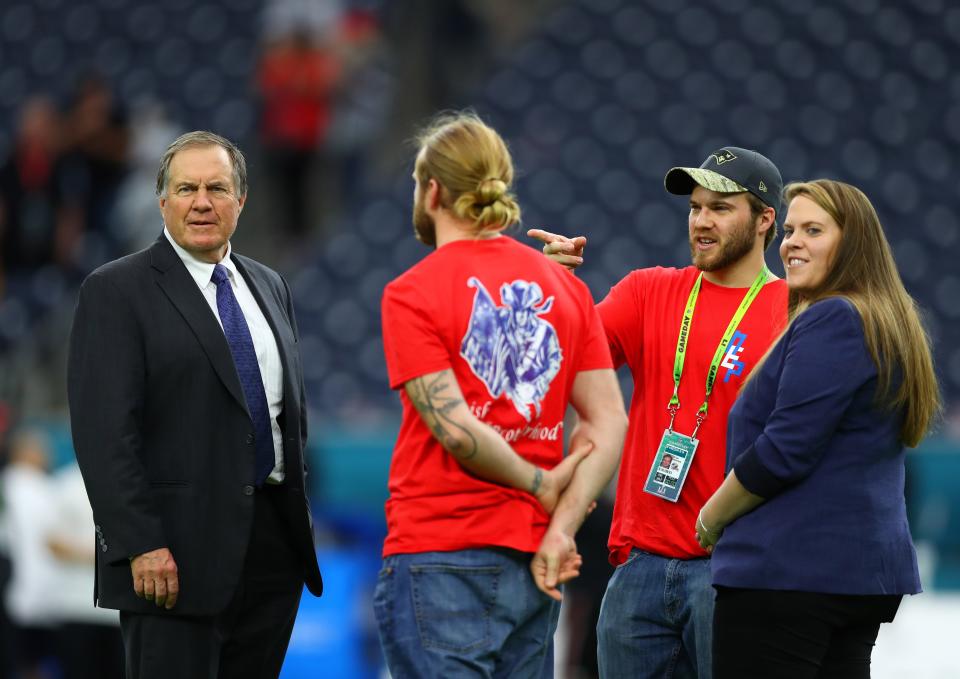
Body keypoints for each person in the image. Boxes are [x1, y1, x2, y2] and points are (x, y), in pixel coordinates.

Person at [375, 112, 628, 678]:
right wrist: (561, 526)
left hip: (439, 553)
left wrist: (540, 485)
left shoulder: (411, 293)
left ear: (433, 190)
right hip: (536, 561)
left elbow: (457, 429)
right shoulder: (564, 286)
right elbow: (609, 421)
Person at [67, 130, 323, 679]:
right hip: (169, 559)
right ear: (162, 200)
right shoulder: (115, 290)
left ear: (241, 200)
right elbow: (104, 433)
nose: (202, 202)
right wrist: (141, 543)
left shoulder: (271, 285)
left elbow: (285, 419)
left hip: (271, 554)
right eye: (186, 189)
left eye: (216, 188)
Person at [530, 147, 788, 678]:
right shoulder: (648, 291)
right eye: (695, 208)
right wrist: (552, 290)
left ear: (765, 220)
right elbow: (559, 367)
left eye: (720, 208)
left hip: (737, 565)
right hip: (639, 566)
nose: (701, 221)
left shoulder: (795, 311)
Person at [695, 179, 940, 679]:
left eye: (813, 230)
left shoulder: (834, 317)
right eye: (788, 230)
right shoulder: (883, 318)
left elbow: (784, 450)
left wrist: (710, 518)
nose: (791, 243)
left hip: (788, 574)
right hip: (850, 579)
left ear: (854, 244)